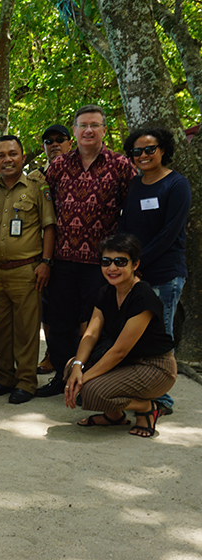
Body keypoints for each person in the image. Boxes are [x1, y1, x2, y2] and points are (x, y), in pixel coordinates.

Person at [38, 105, 137, 398]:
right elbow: (44, 210)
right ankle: (62, 376)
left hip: (103, 264)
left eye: (95, 125)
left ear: (104, 130)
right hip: (62, 260)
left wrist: (127, 260)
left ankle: (93, 379)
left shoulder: (120, 165)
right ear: (76, 131)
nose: (88, 130)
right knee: (60, 323)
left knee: (99, 323)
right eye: (83, 125)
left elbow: (131, 214)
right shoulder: (56, 167)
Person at [63, 233, 176, 438]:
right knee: (70, 367)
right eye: (106, 262)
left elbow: (120, 351)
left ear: (135, 264)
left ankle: (146, 407)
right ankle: (114, 416)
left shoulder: (142, 295)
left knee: (91, 391)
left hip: (154, 367)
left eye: (120, 262)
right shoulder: (107, 291)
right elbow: (91, 333)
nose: (112, 268)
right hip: (127, 364)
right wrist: (78, 367)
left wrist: (84, 378)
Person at [0, 135, 56, 404]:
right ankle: (4, 377)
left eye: (12, 154)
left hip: (27, 270)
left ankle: (25, 382)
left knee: (26, 329)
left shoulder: (36, 187)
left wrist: (45, 263)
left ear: (22, 157)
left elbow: (48, 226)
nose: (7, 159)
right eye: (1, 155)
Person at [119, 127, 190, 415]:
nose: (144, 155)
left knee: (161, 336)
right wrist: (121, 260)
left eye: (150, 149)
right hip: (136, 274)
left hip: (164, 274)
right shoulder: (135, 185)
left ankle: (162, 401)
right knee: (138, 335)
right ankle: (146, 391)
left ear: (163, 150)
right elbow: (127, 227)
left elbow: (169, 234)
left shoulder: (176, 184)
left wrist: (136, 264)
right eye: (137, 151)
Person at [33, 124, 73, 375]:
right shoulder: (37, 177)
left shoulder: (81, 170)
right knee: (47, 309)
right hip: (44, 254)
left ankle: (78, 360)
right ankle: (52, 354)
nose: (54, 144)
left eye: (60, 139)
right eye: (49, 141)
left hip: (79, 254)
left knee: (78, 312)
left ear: (71, 142)